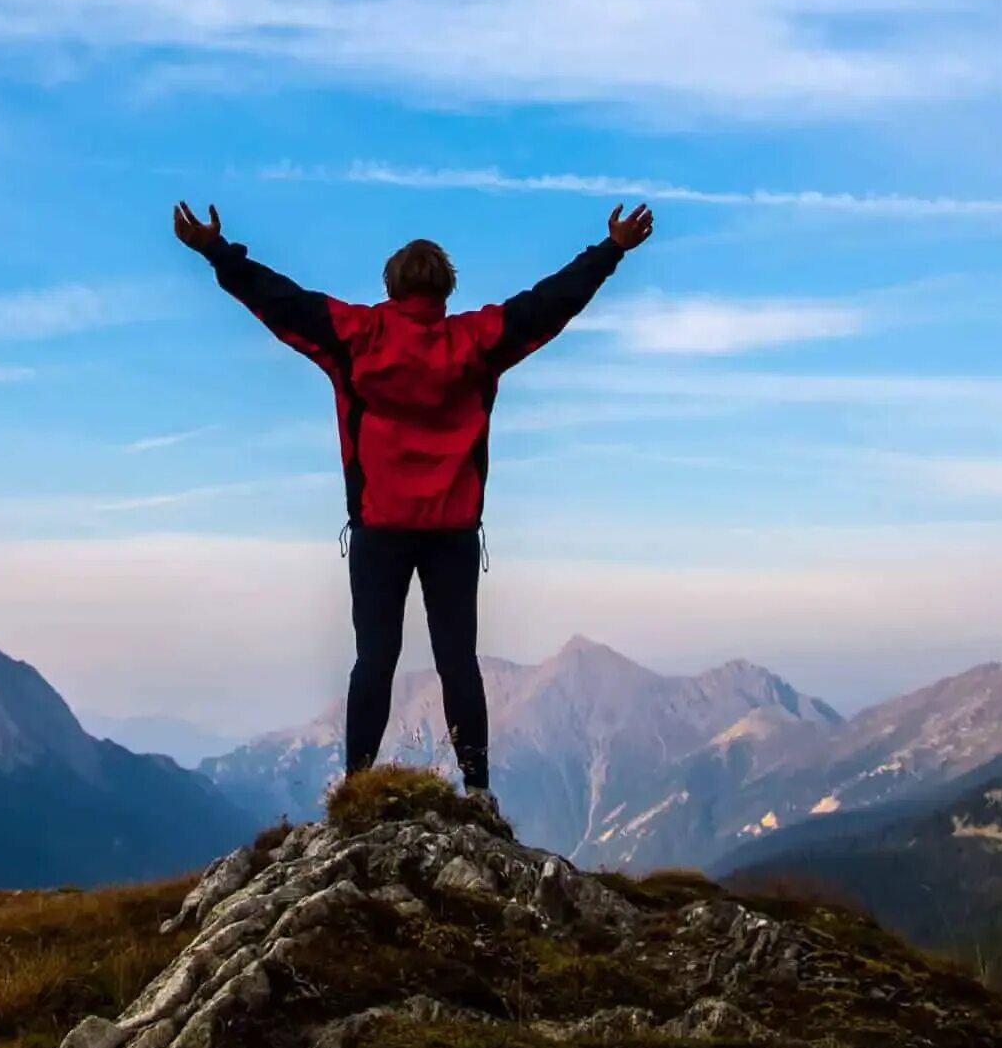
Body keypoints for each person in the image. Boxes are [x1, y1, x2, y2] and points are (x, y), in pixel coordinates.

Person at [172, 198, 654, 796]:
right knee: (458, 662)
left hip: (380, 529)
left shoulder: (355, 336)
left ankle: (356, 786)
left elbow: (279, 299)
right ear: (447, 289)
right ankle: (476, 787)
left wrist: (216, 251)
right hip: (453, 531)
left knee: (374, 660)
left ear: (390, 286)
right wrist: (609, 251)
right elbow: (550, 303)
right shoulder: (478, 341)